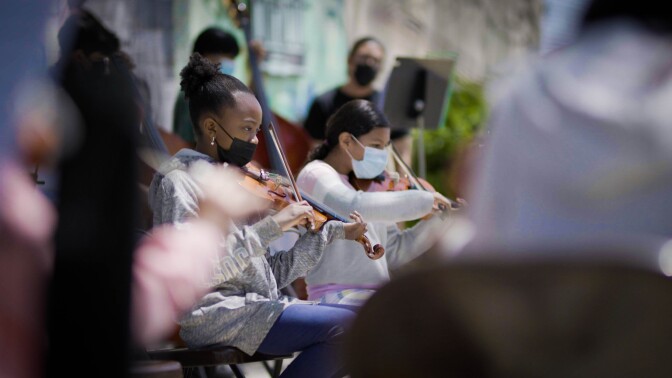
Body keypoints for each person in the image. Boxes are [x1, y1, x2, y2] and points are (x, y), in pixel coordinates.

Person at [150, 53, 369, 378]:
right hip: (214, 315)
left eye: (257, 131)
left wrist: (326, 233)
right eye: (247, 129)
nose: (255, 141)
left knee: (361, 322)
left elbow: (268, 277)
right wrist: (272, 226)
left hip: (255, 307)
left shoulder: (237, 182)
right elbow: (194, 277)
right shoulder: (179, 181)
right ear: (211, 127)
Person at [296, 99, 452, 305]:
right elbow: (352, 205)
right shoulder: (315, 174)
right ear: (346, 141)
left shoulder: (371, 186)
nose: (382, 155)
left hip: (371, 297)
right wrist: (425, 200)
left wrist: (440, 220)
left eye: (385, 147)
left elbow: (394, 253)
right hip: (334, 297)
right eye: (375, 146)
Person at [304, 37, 413, 165]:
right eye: (364, 57)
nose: (369, 63)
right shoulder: (323, 103)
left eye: (376, 60)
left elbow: (403, 151)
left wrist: (405, 184)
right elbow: (313, 149)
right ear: (350, 59)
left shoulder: (390, 106)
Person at [172, 27, 240, 146]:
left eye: (231, 57)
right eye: (221, 54)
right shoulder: (194, 93)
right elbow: (186, 143)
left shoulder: (213, 92)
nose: (228, 62)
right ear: (201, 56)